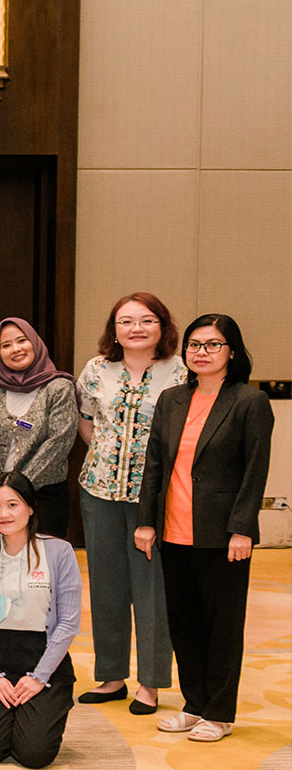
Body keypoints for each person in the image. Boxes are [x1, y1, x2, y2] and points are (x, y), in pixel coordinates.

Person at [136, 314, 274, 744]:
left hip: (222, 535)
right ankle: (193, 704)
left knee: (222, 626)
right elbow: (155, 464)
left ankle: (219, 711)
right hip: (174, 530)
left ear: (232, 351)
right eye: (195, 344)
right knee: (185, 623)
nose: (202, 352)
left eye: (213, 345)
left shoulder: (249, 402)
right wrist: (145, 521)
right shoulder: (172, 399)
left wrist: (242, 528)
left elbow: (255, 471)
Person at [74, 292, 186, 714]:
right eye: (126, 321)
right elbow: (87, 425)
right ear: (113, 329)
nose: (136, 328)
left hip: (155, 496)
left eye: (146, 320)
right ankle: (111, 675)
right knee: (106, 585)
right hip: (98, 490)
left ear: (162, 326)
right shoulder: (96, 369)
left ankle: (151, 683)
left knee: (152, 588)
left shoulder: (180, 372)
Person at [0, 473, 82, 768]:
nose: (3, 514)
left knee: (34, 754)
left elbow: (67, 623)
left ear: (30, 507)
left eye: (13, 504)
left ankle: (42, 710)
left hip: (43, 657)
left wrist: (40, 677)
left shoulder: (58, 552)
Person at [0, 317, 79, 536]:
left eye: (22, 341)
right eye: (6, 345)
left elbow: (59, 442)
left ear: (35, 343)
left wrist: (18, 489)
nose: (15, 349)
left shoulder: (59, 387)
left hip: (43, 497)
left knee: (40, 566)